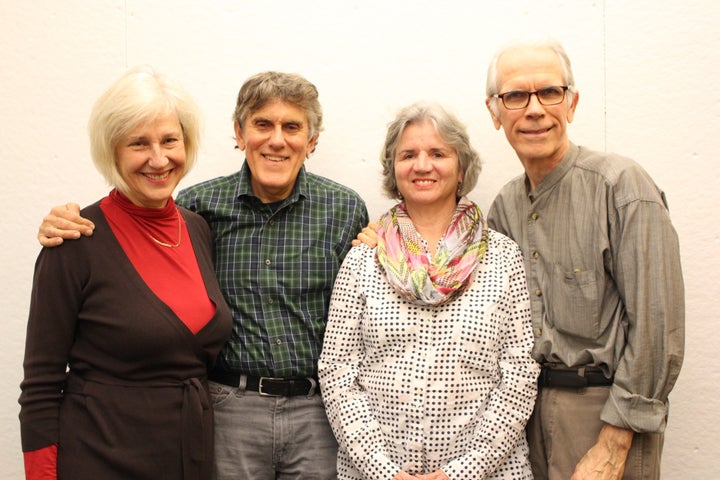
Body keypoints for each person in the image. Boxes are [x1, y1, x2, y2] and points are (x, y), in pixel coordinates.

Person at [36, 71, 370, 479]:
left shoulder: (344, 210)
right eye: (262, 124)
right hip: (228, 410)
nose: (277, 140)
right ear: (239, 133)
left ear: (312, 140)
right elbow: (133, 235)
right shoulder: (200, 208)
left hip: (315, 413)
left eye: (292, 127)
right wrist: (65, 220)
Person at [19, 66, 233, 480]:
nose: (159, 158)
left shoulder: (197, 228)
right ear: (112, 151)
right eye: (139, 143)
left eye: (170, 140)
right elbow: (40, 389)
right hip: (99, 460)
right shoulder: (74, 242)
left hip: (188, 458)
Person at [483, 38, 685, 479]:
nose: (534, 109)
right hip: (526, 416)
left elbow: (657, 326)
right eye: (515, 96)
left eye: (549, 92)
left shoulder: (621, 187)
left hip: (608, 415)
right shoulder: (503, 209)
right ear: (494, 113)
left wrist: (615, 443)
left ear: (571, 103)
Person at [318, 102, 539, 480]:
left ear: (461, 168)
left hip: (489, 473)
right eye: (408, 155)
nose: (422, 165)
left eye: (438, 153)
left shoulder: (503, 256)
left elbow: (519, 372)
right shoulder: (362, 260)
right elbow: (337, 373)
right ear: (393, 169)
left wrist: (464, 472)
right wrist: (383, 471)